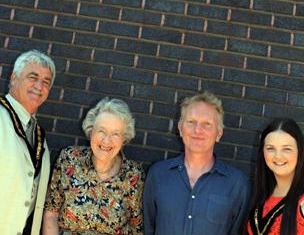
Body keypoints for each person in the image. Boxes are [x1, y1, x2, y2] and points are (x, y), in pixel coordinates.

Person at [144, 91, 250, 235]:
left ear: (219, 133)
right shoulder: (158, 174)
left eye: (207, 124)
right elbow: (148, 228)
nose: (197, 130)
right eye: (191, 122)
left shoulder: (237, 184)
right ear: (180, 128)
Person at [43, 97, 145, 235]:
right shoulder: (69, 159)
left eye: (115, 134)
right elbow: (51, 212)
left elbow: (136, 228)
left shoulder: (133, 175)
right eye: (101, 131)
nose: (106, 140)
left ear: (124, 139)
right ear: (91, 132)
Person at [0, 49, 56, 234]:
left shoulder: (39, 137)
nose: (39, 86)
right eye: (33, 77)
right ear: (14, 78)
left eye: (46, 82)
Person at [246, 118, 304, 235]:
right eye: (270, 148)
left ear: (300, 151)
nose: (278, 156)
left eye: (287, 149)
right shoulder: (262, 194)